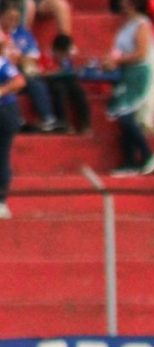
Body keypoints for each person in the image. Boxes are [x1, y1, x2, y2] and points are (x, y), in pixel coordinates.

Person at [105, 0, 154, 176]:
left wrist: (117, 60)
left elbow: (141, 53)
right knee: (124, 116)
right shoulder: (125, 26)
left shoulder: (141, 24)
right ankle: (129, 160)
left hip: (138, 73)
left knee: (125, 115)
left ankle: (146, 154)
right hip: (126, 73)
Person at [0, 0, 57, 131]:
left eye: (16, 19)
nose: (12, 22)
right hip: (4, 75)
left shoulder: (21, 33)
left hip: (19, 73)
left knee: (40, 82)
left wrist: (21, 59)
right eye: (9, 18)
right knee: (29, 82)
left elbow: (32, 57)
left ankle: (47, 119)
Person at [42, 33, 91, 134]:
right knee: (59, 90)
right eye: (63, 53)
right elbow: (42, 74)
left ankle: (85, 124)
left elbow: (69, 70)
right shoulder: (44, 57)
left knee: (78, 90)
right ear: (56, 50)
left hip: (66, 81)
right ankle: (63, 124)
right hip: (50, 83)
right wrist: (57, 72)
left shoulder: (66, 59)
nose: (65, 56)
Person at [0, 50, 24, 218]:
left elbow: (18, 81)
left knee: (1, 155)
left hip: (4, 111)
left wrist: (1, 91)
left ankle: (1, 202)